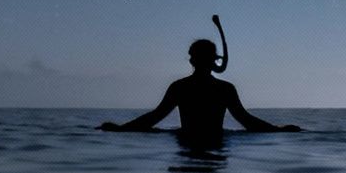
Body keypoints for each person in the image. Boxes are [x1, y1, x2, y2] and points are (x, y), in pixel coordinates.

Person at [101, 36, 300, 139]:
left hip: (186, 142)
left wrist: (120, 129)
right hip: (217, 143)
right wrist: (278, 130)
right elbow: (246, 121)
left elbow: (154, 118)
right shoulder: (224, 89)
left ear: (192, 60)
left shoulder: (180, 87)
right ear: (214, 60)